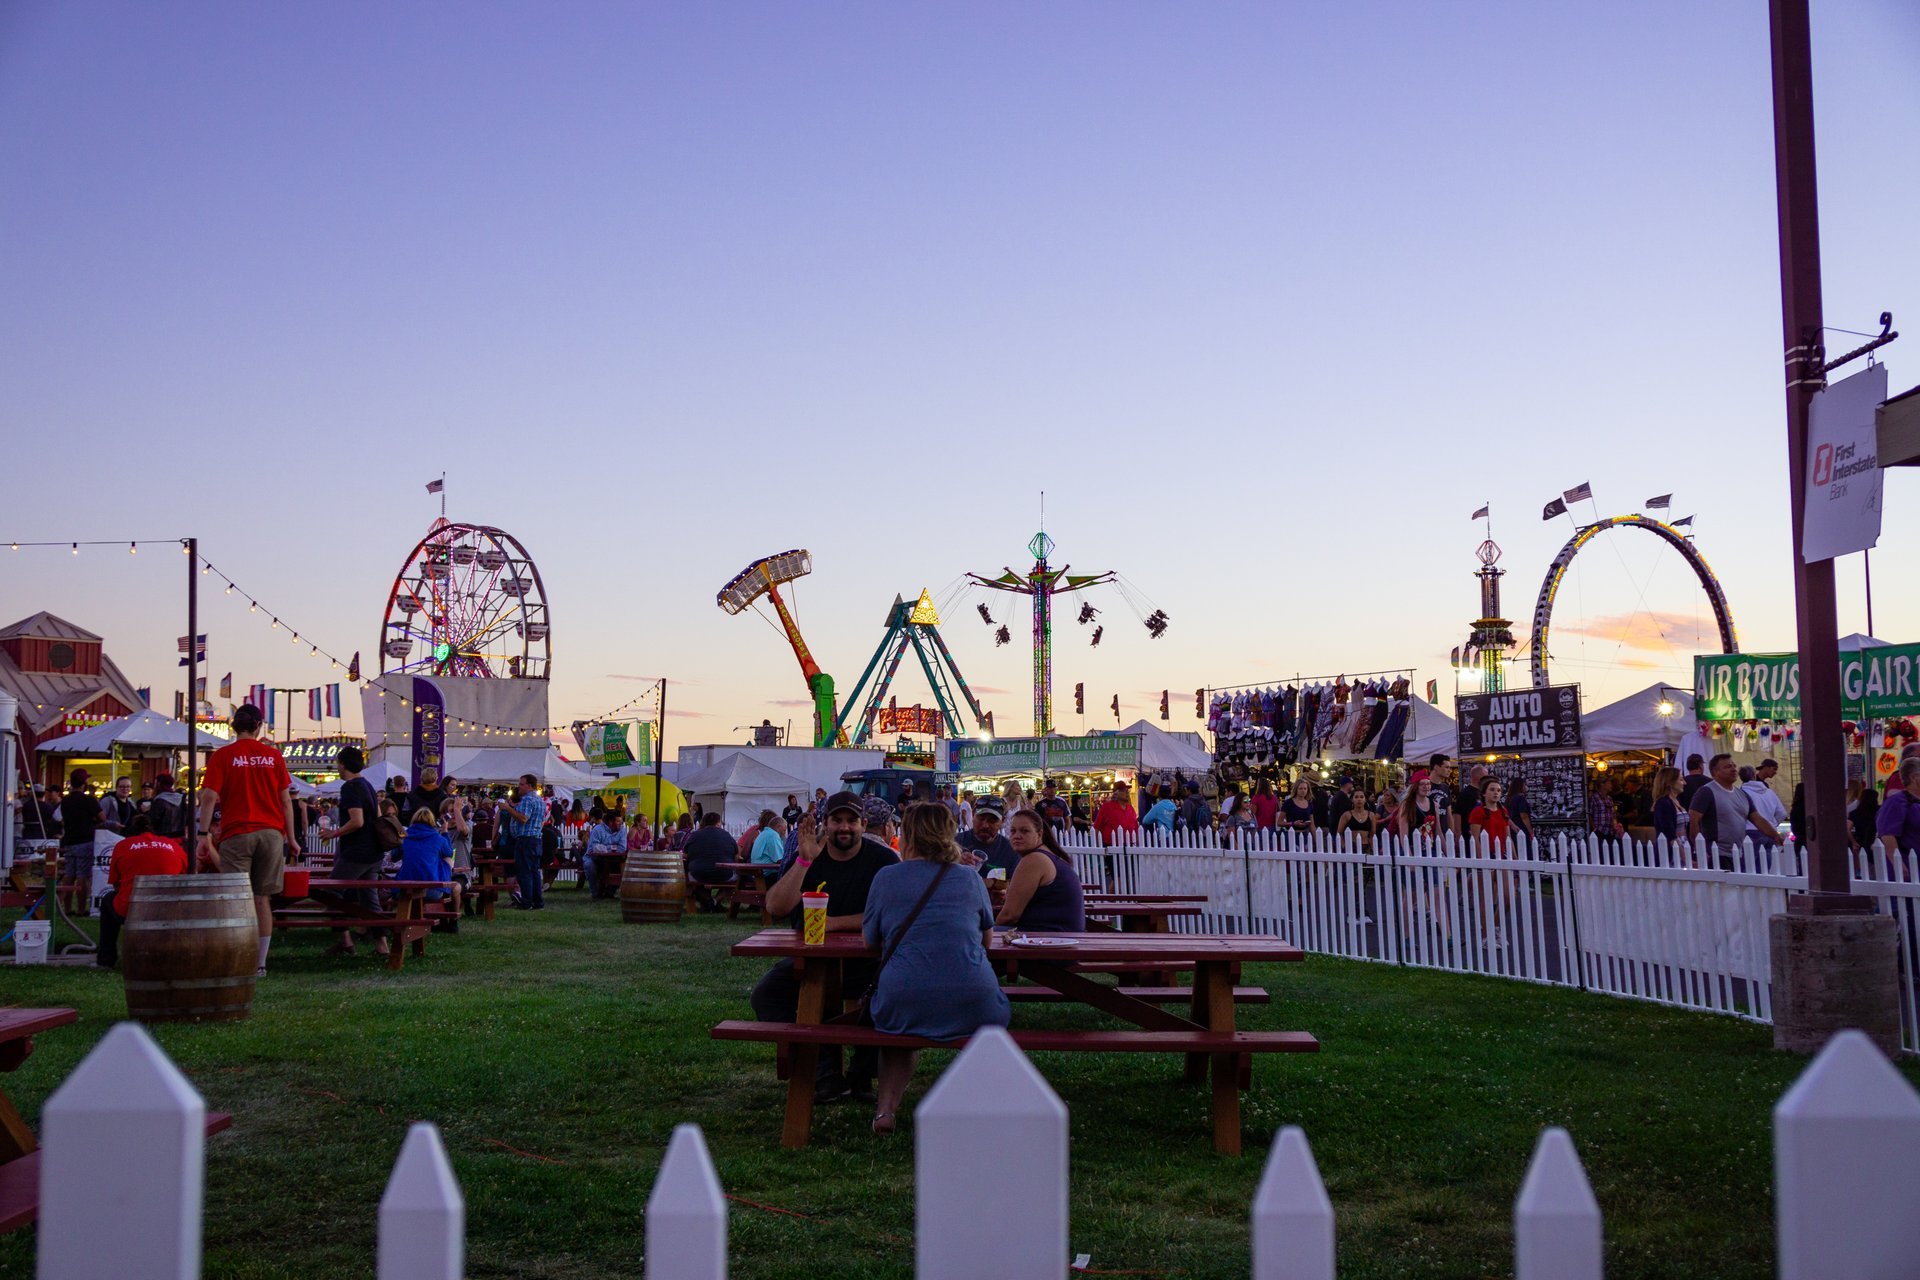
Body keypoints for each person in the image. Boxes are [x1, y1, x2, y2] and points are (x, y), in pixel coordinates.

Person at [862, 803, 1010, 1134]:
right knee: (981, 1022)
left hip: (903, 995)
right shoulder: (970, 879)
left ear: (907, 834)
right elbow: (986, 943)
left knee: (899, 1029)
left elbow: (870, 942)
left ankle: (885, 1110)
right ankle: (975, 1104)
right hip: (975, 999)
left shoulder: (886, 878)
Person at [755, 791, 899, 1104]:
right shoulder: (809, 857)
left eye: (851, 821)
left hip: (868, 964)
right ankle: (824, 1072)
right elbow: (776, 907)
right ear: (826, 823)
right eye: (837, 820)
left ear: (863, 824)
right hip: (812, 963)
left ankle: (862, 1076)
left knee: (890, 994)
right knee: (767, 994)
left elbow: (893, 914)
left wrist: (833, 923)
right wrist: (805, 861)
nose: (844, 827)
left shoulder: (884, 861)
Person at [195, 705, 292, 975]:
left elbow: (209, 797)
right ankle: (260, 963)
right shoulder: (273, 756)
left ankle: (236, 957)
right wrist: (293, 838)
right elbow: (286, 802)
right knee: (262, 899)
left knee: (236, 897)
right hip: (272, 833)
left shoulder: (223, 756)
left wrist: (203, 835)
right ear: (259, 725)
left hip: (237, 832)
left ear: (233, 726)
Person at [93, 813, 189, 969]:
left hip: (132, 910)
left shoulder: (123, 845)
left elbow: (115, 884)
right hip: (169, 908)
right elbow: (186, 878)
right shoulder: (173, 846)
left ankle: (106, 959)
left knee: (108, 900)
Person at [318, 745, 388, 957]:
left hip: (356, 852)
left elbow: (357, 821)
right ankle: (381, 946)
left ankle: (345, 941)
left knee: (331, 893)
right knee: (369, 899)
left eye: (339, 763)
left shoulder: (349, 788)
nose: (338, 767)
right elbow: (376, 816)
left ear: (343, 764)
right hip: (374, 851)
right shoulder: (367, 785)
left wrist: (333, 833)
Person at [995, 808, 1086, 931]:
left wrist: (989, 927)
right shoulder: (1051, 856)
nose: (1017, 836)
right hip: (1063, 936)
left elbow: (1009, 916)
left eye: (1024, 831)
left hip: (1048, 939)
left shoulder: (1034, 860)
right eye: (1013, 831)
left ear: (1039, 834)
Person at [1688, 753, 1777, 868]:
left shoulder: (1742, 794)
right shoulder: (1706, 792)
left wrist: (1776, 836)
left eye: (1734, 766)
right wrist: (1700, 851)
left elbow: (1758, 819)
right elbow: (1694, 821)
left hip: (1737, 853)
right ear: (1714, 772)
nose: (1734, 769)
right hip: (1716, 854)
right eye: (1727, 767)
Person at [56, 768, 102, 917]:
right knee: (83, 876)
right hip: (85, 840)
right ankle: (81, 909)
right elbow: (103, 818)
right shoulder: (88, 800)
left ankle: (67, 908)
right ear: (84, 783)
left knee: (69, 875)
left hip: (69, 840)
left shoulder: (66, 800)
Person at [501, 773, 549, 910]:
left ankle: (527, 902)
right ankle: (537, 902)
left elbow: (523, 818)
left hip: (526, 840)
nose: (519, 787)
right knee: (534, 871)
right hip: (536, 839)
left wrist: (508, 808)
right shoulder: (540, 800)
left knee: (524, 872)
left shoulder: (528, 799)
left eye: (522, 784)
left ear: (529, 786)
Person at [398, 806, 458, 914]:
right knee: (447, 859)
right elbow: (450, 853)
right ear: (432, 821)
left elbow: (394, 855)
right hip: (432, 889)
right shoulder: (438, 838)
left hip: (404, 887)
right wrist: (445, 832)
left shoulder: (404, 837)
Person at [682, 811, 739, 911]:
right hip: (724, 874)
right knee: (737, 878)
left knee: (692, 879)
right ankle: (715, 901)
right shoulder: (726, 835)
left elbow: (685, 855)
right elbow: (736, 856)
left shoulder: (694, 836)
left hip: (698, 873)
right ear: (718, 823)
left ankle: (709, 902)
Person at [1741, 761, 1789, 862]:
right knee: (1766, 865)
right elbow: (1782, 813)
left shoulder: (1741, 793)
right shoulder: (1769, 792)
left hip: (1750, 831)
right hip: (1769, 833)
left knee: (1750, 866)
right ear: (1754, 775)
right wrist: (1772, 824)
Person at [955, 805, 1019, 876]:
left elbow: (1017, 882)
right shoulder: (955, 843)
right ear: (973, 816)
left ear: (1002, 821)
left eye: (992, 821)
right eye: (981, 819)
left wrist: (991, 883)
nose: (985, 825)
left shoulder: (1010, 850)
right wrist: (954, 861)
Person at [1877, 758, 1920, 858]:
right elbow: (1887, 834)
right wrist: (1899, 865)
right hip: (1909, 863)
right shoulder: (1897, 801)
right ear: (1914, 778)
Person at [583, 810, 627, 899]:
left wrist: (604, 848)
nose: (620, 824)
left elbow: (622, 848)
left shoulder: (622, 830)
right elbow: (595, 848)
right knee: (589, 865)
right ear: (610, 822)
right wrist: (613, 847)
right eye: (618, 821)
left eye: (621, 821)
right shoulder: (598, 830)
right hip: (594, 857)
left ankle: (610, 892)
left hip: (615, 858)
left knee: (620, 865)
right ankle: (595, 893)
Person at [1393, 775, 1444, 841]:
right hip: (1413, 847)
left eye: (1428, 784)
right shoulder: (1407, 805)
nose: (1426, 787)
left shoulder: (1434, 804)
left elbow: (1438, 831)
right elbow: (1404, 836)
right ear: (1415, 787)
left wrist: (1447, 850)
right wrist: (1409, 851)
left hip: (1431, 847)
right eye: (1422, 784)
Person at [1468, 778, 1513, 849]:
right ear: (1484, 793)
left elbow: (1508, 837)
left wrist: (1514, 857)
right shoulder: (1477, 812)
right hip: (1487, 854)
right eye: (1492, 790)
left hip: (1502, 854)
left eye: (1498, 790)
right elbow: (1475, 839)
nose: (1496, 792)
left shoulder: (1503, 811)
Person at [1649, 766, 1685, 846]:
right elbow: (1669, 833)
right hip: (1673, 850)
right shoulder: (1663, 803)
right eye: (1681, 780)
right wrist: (1684, 856)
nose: (1684, 783)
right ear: (1670, 782)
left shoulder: (1677, 800)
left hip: (1684, 845)